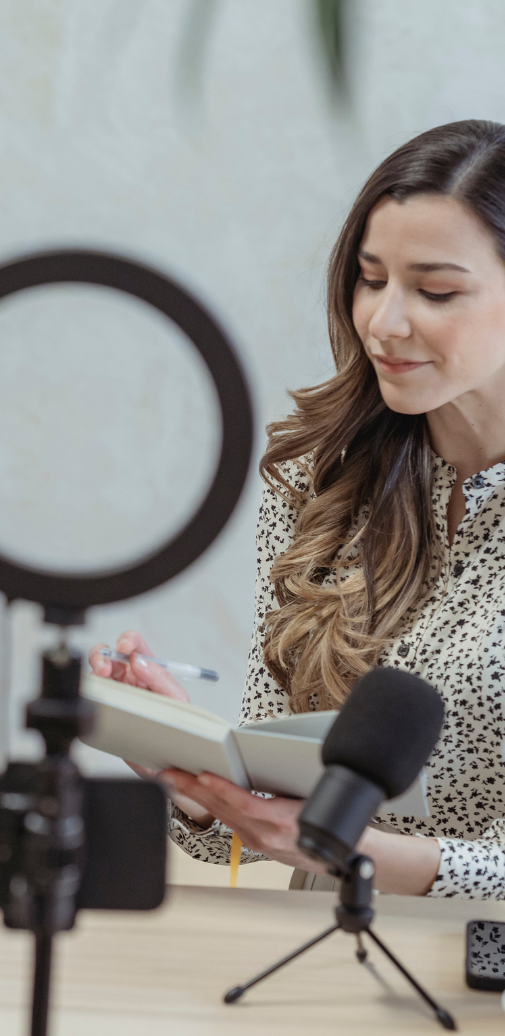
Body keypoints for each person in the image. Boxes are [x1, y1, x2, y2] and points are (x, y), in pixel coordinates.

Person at [91, 119, 505, 900]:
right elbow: (267, 813)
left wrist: (364, 853)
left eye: (437, 291)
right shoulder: (322, 477)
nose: (383, 321)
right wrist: (193, 761)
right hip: (315, 954)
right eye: (371, 278)